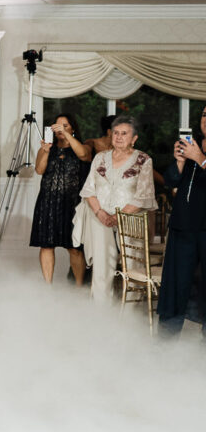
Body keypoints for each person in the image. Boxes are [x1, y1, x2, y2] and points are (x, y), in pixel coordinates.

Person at [75, 115, 157, 303]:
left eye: (124, 134)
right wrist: (100, 213)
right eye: (116, 133)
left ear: (134, 138)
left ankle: (130, 313)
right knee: (102, 265)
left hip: (131, 219)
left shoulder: (144, 159)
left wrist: (118, 216)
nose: (119, 137)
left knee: (133, 265)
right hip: (101, 218)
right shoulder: (100, 157)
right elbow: (88, 190)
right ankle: (101, 310)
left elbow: (143, 196)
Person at [156, 106, 206, 336]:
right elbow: (170, 180)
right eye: (205, 114)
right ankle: (166, 343)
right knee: (176, 284)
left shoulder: (197, 152)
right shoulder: (192, 145)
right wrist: (180, 162)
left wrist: (200, 160)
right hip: (182, 226)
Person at [30, 113, 91, 284]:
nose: (59, 129)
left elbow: (84, 156)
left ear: (72, 128)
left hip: (72, 204)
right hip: (47, 203)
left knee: (75, 247)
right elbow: (40, 170)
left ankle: (79, 286)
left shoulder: (82, 146)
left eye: (64, 125)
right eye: (56, 126)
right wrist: (45, 151)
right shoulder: (47, 148)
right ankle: (48, 286)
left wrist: (67, 137)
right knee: (46, 244)